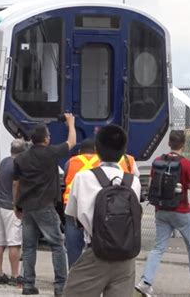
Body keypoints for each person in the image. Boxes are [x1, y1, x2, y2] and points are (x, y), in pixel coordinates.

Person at [63, 124, 141, 297]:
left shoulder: (83, 178)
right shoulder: (133, 181)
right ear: (123, 151)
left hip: (96, 254)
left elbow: (72, 216)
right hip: (126, 259)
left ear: (97, 149)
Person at [13, 114, 76, 296]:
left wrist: (16, 205)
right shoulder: (51, 153)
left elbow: (16, 183)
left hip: (27, 207)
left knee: (29, 246)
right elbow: (71, 142)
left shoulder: (21, 159)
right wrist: (71, 123)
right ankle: (60, 286)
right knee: (57, 244)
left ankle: (28, 285)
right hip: (45, 206)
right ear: (46, 139)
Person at [135, 130, 190, 296]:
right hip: (181, 211)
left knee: (158, 248)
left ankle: (145, 281)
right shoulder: (186, 164)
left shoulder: (157, 161)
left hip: (161, 210)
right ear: (183, 144)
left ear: (169, 143)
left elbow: (151, 184)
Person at [0, 139, 25, 286]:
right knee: (14, 243)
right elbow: (16, 184)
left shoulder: (4, 162)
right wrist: (17, 205)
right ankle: (15, 275)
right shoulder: (18, 165)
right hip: (10, 208)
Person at [63, 138, 97, 268]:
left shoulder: (70, 162)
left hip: (72, 205)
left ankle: (73, 270)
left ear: (79, 151)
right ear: (96, 151)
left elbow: (66, 179)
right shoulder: (100, 162)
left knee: (72, 242)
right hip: (92, 205)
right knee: (94, 240)